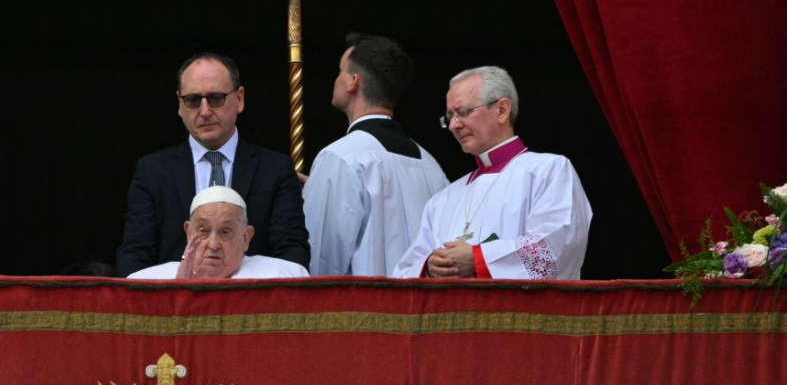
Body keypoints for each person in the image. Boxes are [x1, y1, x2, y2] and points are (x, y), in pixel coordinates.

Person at [116, 52, 310, 277]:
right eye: (193, 100)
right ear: (180, 104)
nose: (205, 111)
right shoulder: (153, 172)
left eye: (216, 98)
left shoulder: (275, 169)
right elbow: (134, 256)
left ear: (239, 99)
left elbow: (292, 254)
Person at [393, 67, 592, 280]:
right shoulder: (444, 199)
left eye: (463, 112)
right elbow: (404, 272)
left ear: (502, 110)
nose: (453, 126)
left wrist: (478, 259)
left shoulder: (548, 171)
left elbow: (557, 248)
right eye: (449, 117)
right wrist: (429, 268)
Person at [303, 34, 450, 276]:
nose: (336, 79)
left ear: (353, 82)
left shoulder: (339, 158)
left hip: (361, 310)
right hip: (422, 308)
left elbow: (321, 262)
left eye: (340, 71)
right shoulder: (430, 164)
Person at [128, 186, 309, 279]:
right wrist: (179, 290)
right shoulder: (146, 282)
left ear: (246, 238)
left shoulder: (284, 277)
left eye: (225, 232)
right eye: (203, 231)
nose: (213, 244)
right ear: (188, 233)